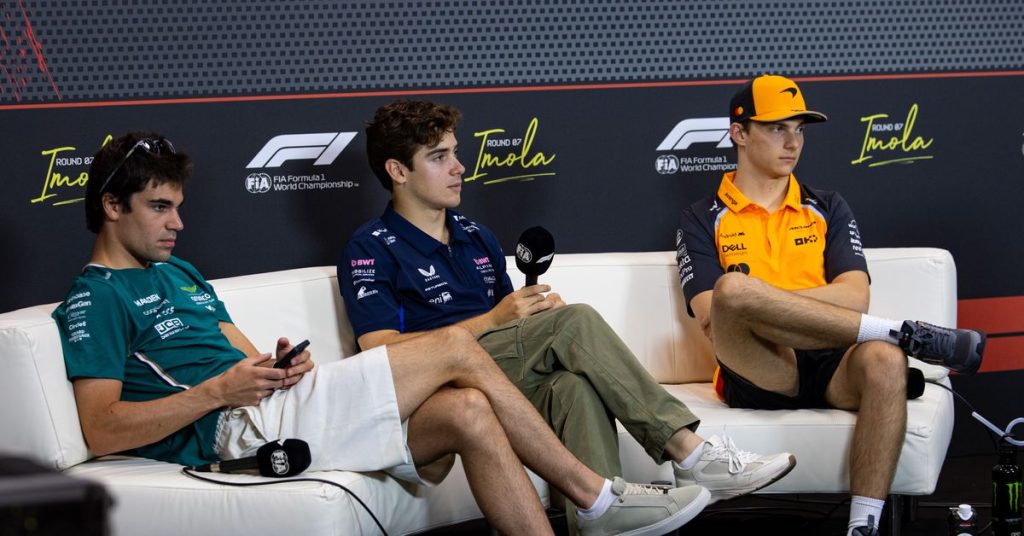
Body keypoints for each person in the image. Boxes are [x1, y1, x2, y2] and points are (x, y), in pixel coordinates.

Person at [53, 132, 713, 536]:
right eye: (159, 208)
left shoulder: (180, 272)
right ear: (111, 207)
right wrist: (220, 391)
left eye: (177, 206)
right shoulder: (96, 296)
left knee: (468, 411)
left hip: (275, 407)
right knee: (456, 347)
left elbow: (241, 354)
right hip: (234, 435)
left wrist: (276, 367)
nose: (177, 223)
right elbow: (103, 428)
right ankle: (595, 496)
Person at [339, 100, 797, 528]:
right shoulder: (370, 246)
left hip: (496, 376)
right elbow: (379, 352)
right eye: (439, 158)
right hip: (437, 388)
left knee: (574, 386)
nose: (459, 167)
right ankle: (690, 453)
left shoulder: (476, 235)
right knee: (573, 323)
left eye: (456, 153)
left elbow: (509, 331)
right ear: (398, 171)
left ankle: (600, 525)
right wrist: (496, 321)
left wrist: (532, 318)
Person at [674, 74, 986, 536]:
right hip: (760, 368)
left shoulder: (828, 205)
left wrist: (770, 305)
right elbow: (712, 315)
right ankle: (900, 330)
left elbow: (855, 295)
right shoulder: (701, 217)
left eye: (799, 130)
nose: (793, 142)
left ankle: (864, 524)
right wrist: (769, 306)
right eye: (777, 128)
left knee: (886, 359)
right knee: (732, 291)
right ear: (739, 133)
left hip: (834, 357)